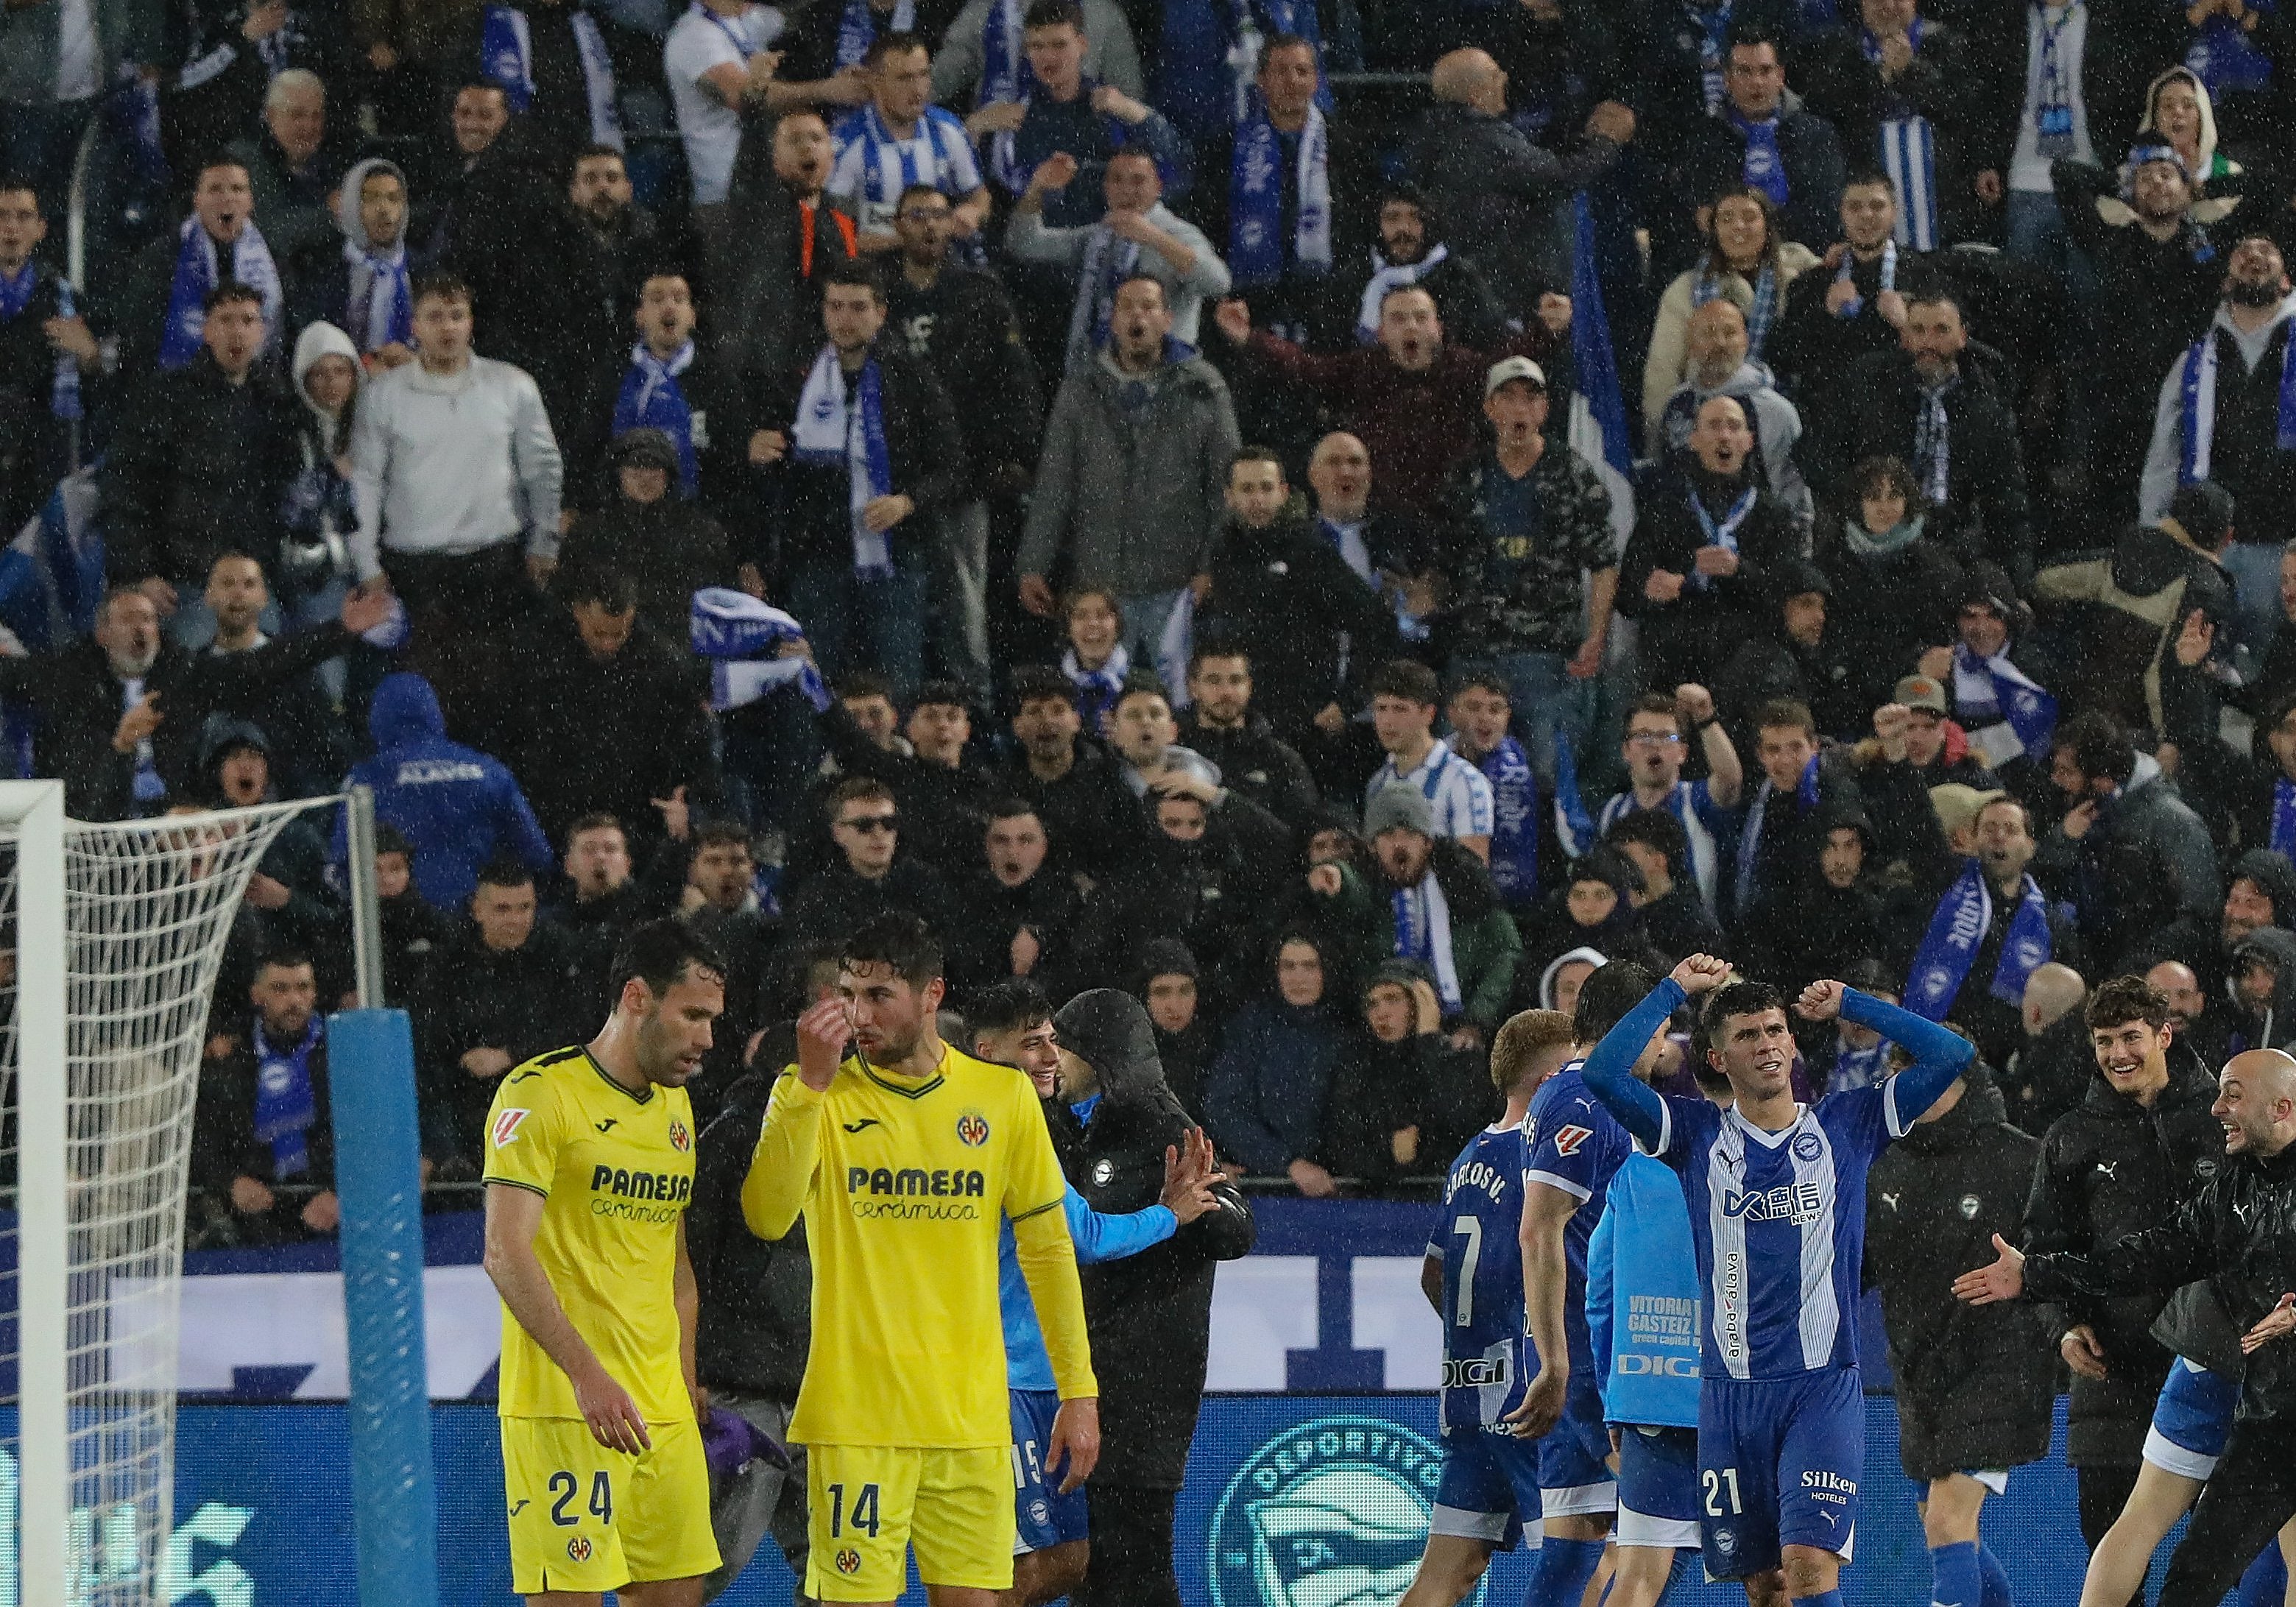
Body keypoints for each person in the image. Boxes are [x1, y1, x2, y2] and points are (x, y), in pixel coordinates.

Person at [1568, 958, 1975, 1607]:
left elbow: (1953, 1053)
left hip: (1821, 1389)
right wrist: (1674, 989)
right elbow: (1600, 1073)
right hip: (1728, 1397)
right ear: (1716, 1056)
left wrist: (1855, 1004)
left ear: (1792, 1042)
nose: (1766, 1045)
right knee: (1765, 1586)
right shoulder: (1692, 1134)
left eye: (1775, 1030)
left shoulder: (1848, 1123)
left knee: (1809, 1567)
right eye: (1748, 1035)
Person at [740, 913, 1098, 1605]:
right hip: (857, 1418)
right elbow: (766, 1213)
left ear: (931, 994)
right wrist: (809, 1088)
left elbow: (1049, 1252)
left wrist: (1077, 1391)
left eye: (878, 995)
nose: (857, 1013)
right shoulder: (812, 1093)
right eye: (847, 994)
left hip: (970, 1418)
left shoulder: (1001, 1096)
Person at [1953, 1049, 2296, 1607]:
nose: (2216, 1108)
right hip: (2271, 1418)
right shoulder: (2235, 1188)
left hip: (2258, 1398)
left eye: (2232, 1093)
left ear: (2281, 1106)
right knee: (2191, 1578)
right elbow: (2147, 1256)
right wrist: (2037, 1274)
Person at [479, 919, 729, 1603]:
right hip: (566, 1407)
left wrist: (681, 1388)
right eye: (694, 1015)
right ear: (637, 997)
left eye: (713, 1020)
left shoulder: (677, 1109)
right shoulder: (540, 1093)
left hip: (659, 1412)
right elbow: (504, 1252)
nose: (707, 1039)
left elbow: (674, 1269)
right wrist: (588, 1375)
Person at [967, 981, 1226, 1607]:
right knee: (1036, 1566)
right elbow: (1081, 1234)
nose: (1050, 1056)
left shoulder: (994, 1121)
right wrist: (1171, 1214)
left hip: (1028, 1372)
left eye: (1055, 1042)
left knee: (1068, 1560)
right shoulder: (1000, 1123)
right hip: (1009, 1375)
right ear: (986, 1050)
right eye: (1032, 1044)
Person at [1044, 987, 1254, 1607]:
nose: (1054, 1057)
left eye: (1064, 1045)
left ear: (1099, 1055)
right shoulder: (1074, 1128)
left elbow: (1238, 1230)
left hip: (1145, 1385)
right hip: (1092, 1377)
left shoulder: (1164, 1126)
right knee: (1094, 1570)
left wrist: (1188, 1208)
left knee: (1134, 1568)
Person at [2017, 973, 2228, 1582]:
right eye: (2104, 1040)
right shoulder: (2070, 1137)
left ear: (2164, 1034)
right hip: (2115, 1373)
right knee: (2108, 1542)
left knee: (2232, 1549)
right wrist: (2064, 1326)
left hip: (2216, 1364)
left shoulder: (2221, 1117)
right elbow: (2045, 1247)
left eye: (2131, 1036)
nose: (2118, 1054)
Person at [1396, 1007, 1578, 1607]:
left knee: (1445, 1573)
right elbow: (1534, 1251)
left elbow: (1433, 1273)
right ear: (1550, 1080)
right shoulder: (1547, 1153)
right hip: (1532, 1397)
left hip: (1468, 1396)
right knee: (1577, 1563)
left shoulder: (1466, 1156)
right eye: (1574, 1068)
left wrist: (1475, 1347)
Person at [1511, 961, 1679, 1607]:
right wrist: (1556, 1363)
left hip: (1586, 1351)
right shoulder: (1586, 1100)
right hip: (1594, 1358)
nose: (1664, 1047)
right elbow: (1537, 1229)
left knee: (1572, 1555)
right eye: (1660, 1029)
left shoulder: (1574, 1096)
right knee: (1666, 1538)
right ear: (1631, 1026)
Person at [1864, 1052, 2055, 1607]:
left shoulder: (2021, 1156)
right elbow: (1858, 1267)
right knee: (1947, 1530)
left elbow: (2062, 1254)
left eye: (1918, 1072)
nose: (1904, 1087)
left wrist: (2056, 1314)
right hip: (1919, 1373)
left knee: (1947, 1521)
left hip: (1999, 1361)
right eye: (1897, 1074)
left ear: (1956, 1076)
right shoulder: (1884, 1163)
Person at [753, 260, 967, 699]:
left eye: (857, 307)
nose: (845, 319)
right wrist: (756, 446)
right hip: (816, 552)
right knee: (811, 681)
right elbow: (769, 452)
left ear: (881, 312)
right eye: (835, 307)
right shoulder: (797, 378)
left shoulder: (912, 377)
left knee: (897, 679)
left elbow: (952, 467)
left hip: (895, 554)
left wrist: (906, 502)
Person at [1017, 275, 1240, 664]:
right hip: (1099, 585)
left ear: (1167, 319)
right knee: (1104, 705)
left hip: (1176, 582)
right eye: (1126, 307)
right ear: (1113, 320)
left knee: (1171, 703)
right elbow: (1055, 483)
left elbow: (1226, 487)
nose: (1138, 315)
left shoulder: (1203, 387)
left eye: (1148, 306)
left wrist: (1211, 566)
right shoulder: (1080, 387)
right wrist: (1034, 563)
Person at [883, 182, 1043, 704]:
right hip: (894, 474)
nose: (929, 225)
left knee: (963, 600)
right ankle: (901, 712)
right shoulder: (879, 294)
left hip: (964, 472)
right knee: (899, 602)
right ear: (897, 225)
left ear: (953, 223)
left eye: (937, 215)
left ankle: (974, 710)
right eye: (916, 215)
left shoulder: (978, 292)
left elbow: (1016, 381)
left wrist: (1013, 454)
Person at [348, 273, 563, 651]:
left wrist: (544, 543)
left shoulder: (514, 386)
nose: (447, 327)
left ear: (471, 323)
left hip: (498, 566)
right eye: (434, 317)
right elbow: (366, 482)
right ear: (415, 325)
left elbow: (543, 470)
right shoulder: (382, 395)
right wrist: (368, 565)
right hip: (416, 572)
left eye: (456, 315)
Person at [1430, 358, 1618, 788]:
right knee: (1454, 775)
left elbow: (1604, 564)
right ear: (1490, 408)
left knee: (1547, 778)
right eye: (1508, 398)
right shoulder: (1467, 475)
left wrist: (1596, 636)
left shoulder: (1571, 472)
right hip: (1475, 652)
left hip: (1546, 652)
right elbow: (1444, 564)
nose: (1520, 409)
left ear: (1544, 409)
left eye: (1530, 398)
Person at [102, 281, 300, 639]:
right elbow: (126, 488)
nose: (236, 331)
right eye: (225, 320)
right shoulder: (166, 397)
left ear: (262, 332)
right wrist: (141, 572)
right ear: (206, 330)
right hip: (188, 584)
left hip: (255, 583)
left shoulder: (278, 402)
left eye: (247, 320)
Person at [1805, 286, 2033, 585]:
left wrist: (2017, 582)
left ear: (1962, 337)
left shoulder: (1987, 407)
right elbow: (1815, 453)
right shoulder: (1867, 385)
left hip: (1953, 542)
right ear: (1904, 337)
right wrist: (1860, 503)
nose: (1929, 342)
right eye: (1919, 330)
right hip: (1870, 535)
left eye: (1941, 330)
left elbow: (2008, 499)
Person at [2140, 236, 2296, 660]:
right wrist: (2153, 528)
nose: (2255, 256)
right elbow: (2165, 451)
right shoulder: (2194, 359)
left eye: (2267, 251)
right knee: (2200, 659)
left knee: (2268, 668)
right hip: (2206, 544)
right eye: (2244, 253)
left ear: (2285, 280)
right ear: (2227, 281)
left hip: (2281, 545)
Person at [1407, 46, 1633, 318]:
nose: (1504, 78)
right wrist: (1607, 143)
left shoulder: (1439, 138)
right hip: (1511, 294)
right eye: (1494, 74)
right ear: (1476, 95)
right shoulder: (1484, 140)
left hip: (1481, 285)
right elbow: (1559, 177)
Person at [1198, 445, 1393, 738]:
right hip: (1239, 717)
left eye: (1266, 488)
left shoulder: (1309, 551)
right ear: (1230, 496)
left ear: (1284, 491)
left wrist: (1346, 702)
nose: (1257, 499)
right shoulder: (1223, 554)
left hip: (1305, 720)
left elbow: (1376, 624)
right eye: (1247, 489)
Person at [1617, 395, 1801, 696]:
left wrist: (1739, 571)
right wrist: (1649, 589)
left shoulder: (1774, 515)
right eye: (1714, 426)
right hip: (1673, 660)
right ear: (1693, 440)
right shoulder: (1664, 509)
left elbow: (1789, 597)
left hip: (1748, 663)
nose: (1724, 436)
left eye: (1733, 426)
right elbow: (1627, 594)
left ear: (1749, 441)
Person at [336, 671, 556, 912]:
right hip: (478, 921)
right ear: (434, 713)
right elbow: (537, 855)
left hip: (402, 923)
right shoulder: (490, 771)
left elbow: (340, 864)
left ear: (376, 718)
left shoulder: (365, 780)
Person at [1009, 147, 1230, 374]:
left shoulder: (1179, 234)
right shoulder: (1099, 236)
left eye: (1138, 181)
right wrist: (1037, 188)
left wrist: (1154, 238)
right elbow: (1024, 244)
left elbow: (1218, 283)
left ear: (1158, 187)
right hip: (1094, 375)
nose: (1126, 190)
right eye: (1116, 180)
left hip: (1162, 378)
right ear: (1105, 188)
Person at [1904, 794, 2083, 1070]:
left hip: (2006, 1067)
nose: (1999, 836)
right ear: (1973, 841)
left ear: (2030, 847)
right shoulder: (1944, 888)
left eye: (2010, 830)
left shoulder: (2052, 925)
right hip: (1938, 1052)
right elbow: (1916, 826)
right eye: (1989, 829)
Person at [2038, 712, 2221, 971]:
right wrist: (2064, 841)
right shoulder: (2076, 812)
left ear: (2103, 780)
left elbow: (2201, 915)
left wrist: (2136, 967)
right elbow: (2040, 882)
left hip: (2141, 978)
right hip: (2087, 966)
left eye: (2066, 772)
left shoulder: (2174, 823)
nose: (2056, 780)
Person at [192, 950, 340, 1243]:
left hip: (330, 1210)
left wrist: (343, 1193)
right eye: (280, 989)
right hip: (253, 1215)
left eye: (303, 988)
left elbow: (371, 1134)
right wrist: (230, 1182)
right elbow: (202, 1136)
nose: (294, 1001)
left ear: (315, 993)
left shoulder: (342, 1053)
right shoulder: (232, 1058)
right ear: (257, 995)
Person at [1557, 686, 1744, 916]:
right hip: (1632, 937)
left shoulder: (1696, 800)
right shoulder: (1612, 811)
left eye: (1666, 737)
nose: (1654, 745)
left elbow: (1730, 781)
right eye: (1643, 736)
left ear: (1682, 753)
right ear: (1626, 751)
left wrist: (1705, 718)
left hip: (1694, 937)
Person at [1644, 185, 1818, 428]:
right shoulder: (1685, 289)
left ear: (1768, 226)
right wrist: (1661, 436)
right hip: (1708, 419)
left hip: (1789, 407)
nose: (1738, 226)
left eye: (1749, 218)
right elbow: (1662, 373)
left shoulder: (1802, 270)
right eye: (1727, 219)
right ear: (1713, 230)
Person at [1652, 297, 1814, 532]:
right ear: (1691, 343)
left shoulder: (1777, 410)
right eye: (1708, 333)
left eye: (1730, 333)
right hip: (1685, 543)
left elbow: (1795, 492)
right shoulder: (1677, 405)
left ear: (1746, 340)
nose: (1720, 343)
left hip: (1758, 544)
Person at [0, 180, 102, 542]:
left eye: (23, 217)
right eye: (2, 216)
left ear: (41, 229)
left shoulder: (64, 299)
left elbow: (97, 382)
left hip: (39, 456)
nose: (11, 227)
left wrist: (90, 354)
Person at [117, 158, 282, 375]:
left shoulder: (275, 256)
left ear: (250, 201)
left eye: (237, 189)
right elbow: (140, 332)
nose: (227, 198)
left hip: (256, 390)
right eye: (215, 189)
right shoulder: (162, 258)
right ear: (197, 200)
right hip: (179, 390)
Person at [828, 32, 991, 250]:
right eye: (904, 78)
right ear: (875, 83)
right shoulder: (847, 144)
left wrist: (974, 212)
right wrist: (911, 241)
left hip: (944, 264)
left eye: (923, 75)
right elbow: (832, 232)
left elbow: (980, 198)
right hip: (876, 270)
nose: (917, 90)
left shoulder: (947, 130)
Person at [1338, 182, 1509, 353]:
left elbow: (1491, 341)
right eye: (1392, 218)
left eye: (1415, 218)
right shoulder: (1354, 277)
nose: (1404, 229)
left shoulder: (1459, 277)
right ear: (1377, 225)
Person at [1364, 659, 1494, 859]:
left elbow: (1473, 877)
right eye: (1381, 709)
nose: (1387, 721)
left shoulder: (1465, 782)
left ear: (1429, 714)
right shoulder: (1378, 784)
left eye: (1400, 709)